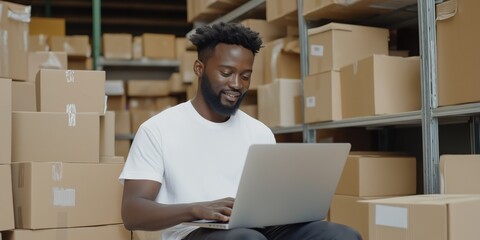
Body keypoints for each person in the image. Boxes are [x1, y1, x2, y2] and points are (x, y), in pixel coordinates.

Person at [119, 22, 362, 240]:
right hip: (193, 231)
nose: (236, 84)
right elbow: (132, 212)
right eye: (226, 73)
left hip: (258, 228)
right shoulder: (157, 129)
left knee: (341, 235)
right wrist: (197, 209)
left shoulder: (260, 132)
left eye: (245, 76)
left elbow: (271, 200)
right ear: (199, 68)